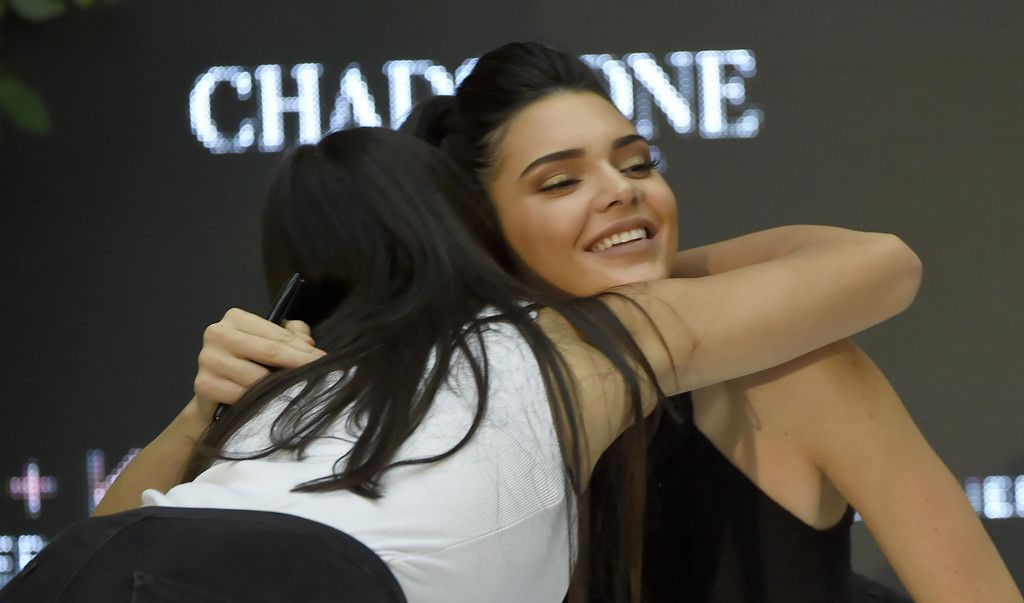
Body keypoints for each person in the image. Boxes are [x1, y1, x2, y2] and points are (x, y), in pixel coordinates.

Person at [192, 43, 1019, 602]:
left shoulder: (796, 371)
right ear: (478, 228)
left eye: (638, 163)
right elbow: (134, 539)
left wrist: (637, 300)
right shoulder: (441, 398)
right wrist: (201, 414)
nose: (623, 190)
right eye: (561, 182)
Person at [2, 126, 921, 603]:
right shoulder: (572, 340)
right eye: (557, 182)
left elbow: (98, 551)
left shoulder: (295, 384)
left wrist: (196, 419)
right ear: (474, 229)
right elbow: (880, 265)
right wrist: (613, 280)